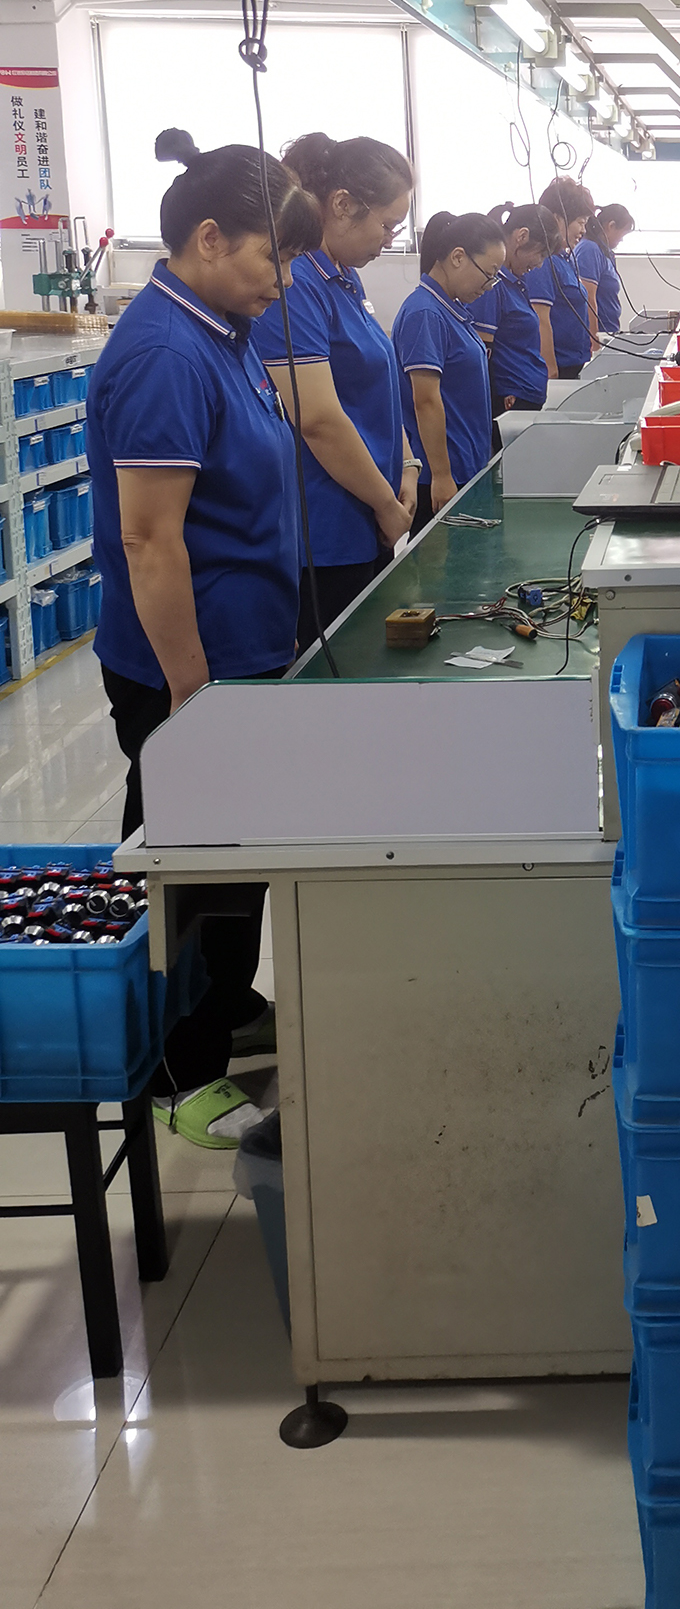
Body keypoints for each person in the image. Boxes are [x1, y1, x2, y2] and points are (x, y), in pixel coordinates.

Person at [87, 128, 323, 1148]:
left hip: (242, 653)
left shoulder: (221, 330)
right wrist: (190, 695)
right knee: (188, 873)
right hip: (191, 670)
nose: (284, 280)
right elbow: (150, 540)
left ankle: (223, 1011)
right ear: (211, 236)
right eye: (274, 256)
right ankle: (178, 1078)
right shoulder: (164, 354)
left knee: (235, 863)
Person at [255, 132, 416, 649]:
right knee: (335, 666)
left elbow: (378, 382)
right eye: (387, 225)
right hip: (325, 531)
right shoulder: (295, 282)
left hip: (368, 514)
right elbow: (318, 418)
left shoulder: (344, 277)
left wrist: (407, 465)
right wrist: (386, 505)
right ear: (342, 205)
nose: (389, 239)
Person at [392, 211, 503, 531]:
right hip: (439, 477)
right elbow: (425, 401)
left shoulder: (452, 310)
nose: (489, 286)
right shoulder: (425, 313)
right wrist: (441, 475)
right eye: (489, 274)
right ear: (457, 257)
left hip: (464, 464)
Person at [477, 201, 562, 413]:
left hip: (524, 394)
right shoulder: (492, 286)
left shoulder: (514, 282)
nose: (540, 264)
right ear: (521, 237)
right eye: (541, 254)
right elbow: (483, 355)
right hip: (508, 400)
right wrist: (498, 394)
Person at [530, 175, 595, 377]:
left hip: (574, 364)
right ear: (556, 219)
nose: (583, 230)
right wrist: (551, 371)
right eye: (580, 222)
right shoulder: (543, 262)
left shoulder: (564, 259)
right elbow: (541, 319)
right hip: (558, 368)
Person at [575, 202, 636, 339]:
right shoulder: (589, 250)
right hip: (599, 333)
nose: (622, 240)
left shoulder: (604, 252)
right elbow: (588, 298)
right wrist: (595, 340)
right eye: (623, 233)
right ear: (611, 226)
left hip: (608, 331)